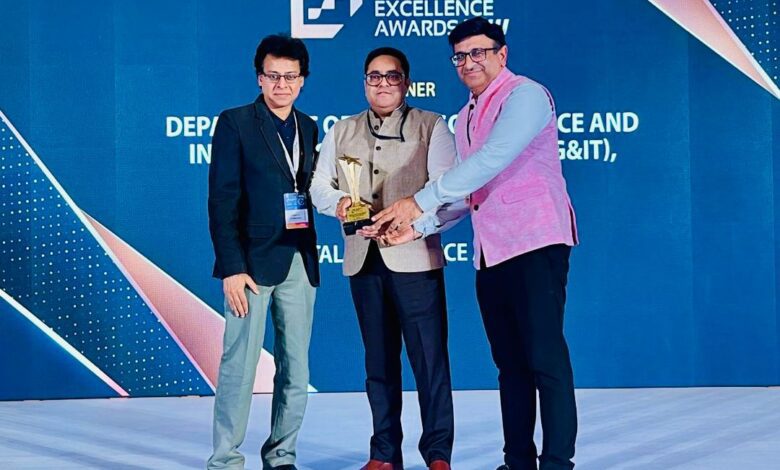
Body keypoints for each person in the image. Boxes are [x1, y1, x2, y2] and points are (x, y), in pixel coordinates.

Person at [372, 17, 580, 470]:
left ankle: (558, 463)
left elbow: (492, 160)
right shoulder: (465, 114)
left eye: (479, 53)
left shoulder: (526, 95)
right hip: (492, 252)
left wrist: (417, 201)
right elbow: (469, 192)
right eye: (460, 56)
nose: (469, 62)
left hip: (536, 243)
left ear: (502, 54)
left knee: (545, 358)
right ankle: (518, 461)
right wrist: (420, 226)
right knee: (509, 363)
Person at [310, 47, 464, 470]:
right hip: (363, 261)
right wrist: (340, 203)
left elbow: (448, 190)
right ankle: (383, 454)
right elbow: (319, 186)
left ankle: (438, 455)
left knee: (430, 362)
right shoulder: (342, 129)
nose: (382, 84)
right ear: (364, 83)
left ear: (406, 82)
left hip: (415, 259)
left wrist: (416, 226)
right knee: (377, 363)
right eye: (374, 76)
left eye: (391, 76)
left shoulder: (432, 126)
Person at [206, 34, 319, 470]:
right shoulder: (235, 122)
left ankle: (282, 455)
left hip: (299, 259)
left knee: (297, 367)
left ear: (302, 80)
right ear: (259, 78)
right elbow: (222, 200)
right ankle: (226, 460)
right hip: (250, 265)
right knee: (240, 364)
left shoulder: (308, 127)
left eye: (290, 77)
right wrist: (231, 267)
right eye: (273, 76)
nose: (281, 85)